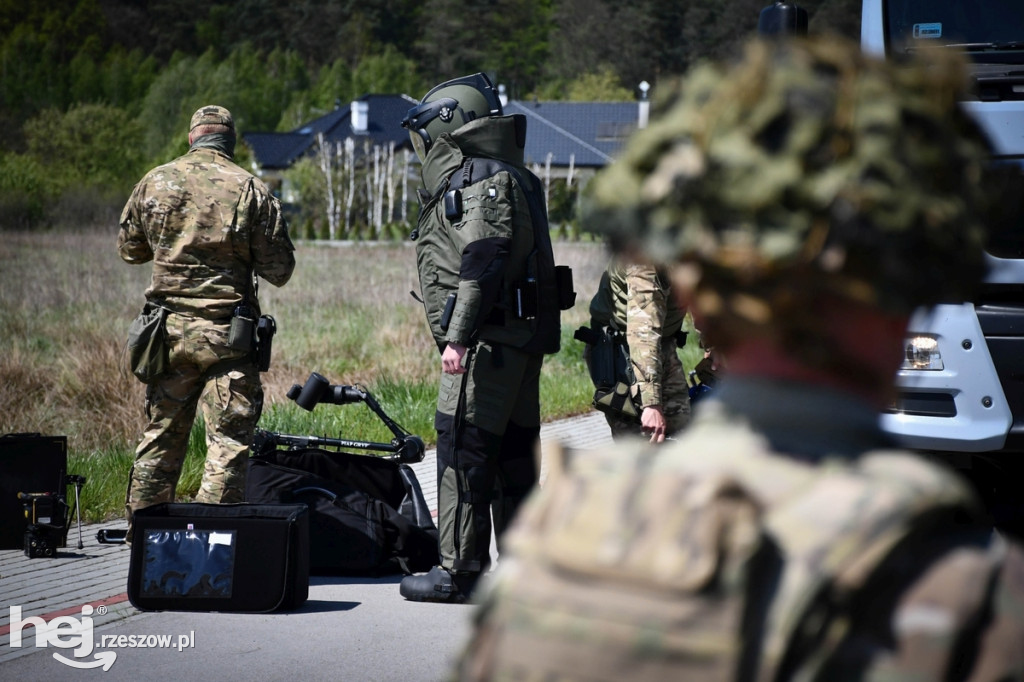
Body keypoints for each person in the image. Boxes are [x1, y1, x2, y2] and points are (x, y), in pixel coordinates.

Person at [455, 37, 1024, 680]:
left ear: (701, 288)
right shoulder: (969, 590)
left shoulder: (556, 561)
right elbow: (644, 325)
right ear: (910, 303)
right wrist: (650, 402)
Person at [398, 73, 568, 603]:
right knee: (515, 455)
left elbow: (484, 258)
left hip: (486, 344)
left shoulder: (477, 177)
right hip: (518, 342)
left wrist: (458, 336)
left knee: (462, 450)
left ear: (447, 122)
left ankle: (458, 572)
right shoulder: (515, 174)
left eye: (425, 133)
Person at [117, 105, 295, 539]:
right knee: (228, 445)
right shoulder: (251, 189)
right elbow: (280, 269)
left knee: (161, 437)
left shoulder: (155, 181)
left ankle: (143, 540)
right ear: (230, 143)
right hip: (227, 339)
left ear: (193, 139)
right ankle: (209, 546)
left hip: (168, 336)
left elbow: (130, 250)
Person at [585, 259, 690, 442]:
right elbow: (644, 332)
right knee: (640, 441)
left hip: (661, 344)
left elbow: (706, 294)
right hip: (622, 353)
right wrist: (651, 403)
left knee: (680, 431)